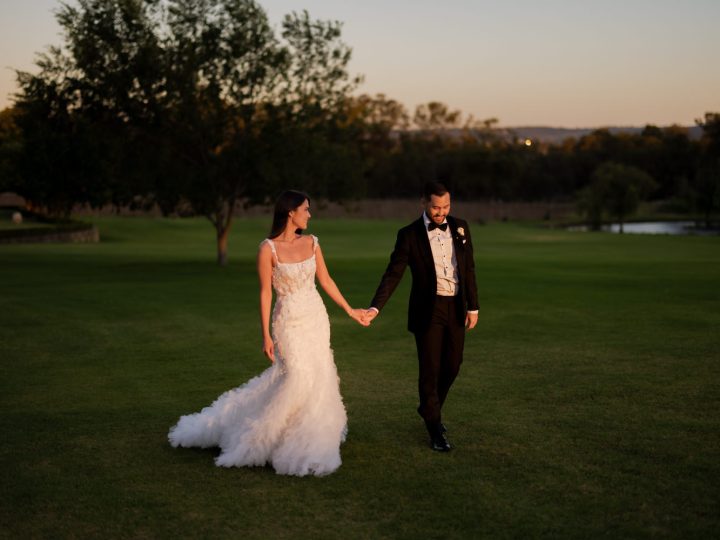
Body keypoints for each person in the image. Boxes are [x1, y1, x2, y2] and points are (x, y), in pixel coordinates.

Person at [169, 190, 368, 476]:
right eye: (306, 209)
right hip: (287, 322)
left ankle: (311, 439)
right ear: (291, 212)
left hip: (316, 318)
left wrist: (350, 310)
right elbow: (265, 294)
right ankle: (259, 438)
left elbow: (325, 279)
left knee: (319, 377)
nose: (310, 215)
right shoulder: (267, 249)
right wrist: (265, 335)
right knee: (297, 377)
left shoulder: (313, 242)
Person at [363, 182, 479, 452]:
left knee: (453, 365)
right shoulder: (409, 235)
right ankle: (434, 427)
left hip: (456, 306)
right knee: (430, 368)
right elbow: (393, 274)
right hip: (428, 309)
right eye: (436, 207)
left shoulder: (461, 227)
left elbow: (469, 268)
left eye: (446, 206)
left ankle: (429, 407)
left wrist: (473, 307)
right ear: (424, 203)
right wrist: (375, 307)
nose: (441, 212)